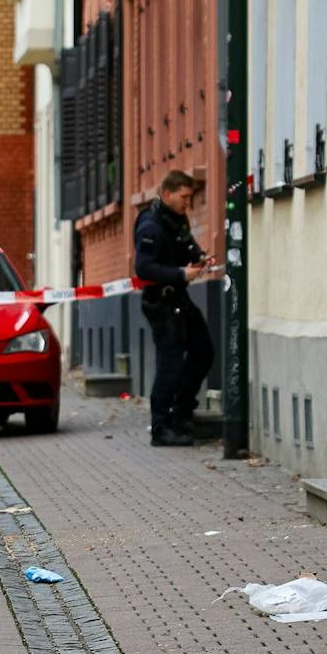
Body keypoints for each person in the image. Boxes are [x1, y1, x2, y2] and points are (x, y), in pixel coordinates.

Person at [134, 170, 218, 447]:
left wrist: (200, 258)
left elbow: (186, 245)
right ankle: (160, 427)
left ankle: (181, 413)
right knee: (169, 363)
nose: (188, 203)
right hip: (161, 300)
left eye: (190, 197)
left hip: (179, 299)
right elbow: (144, 267)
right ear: (167, 194)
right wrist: (181, 274)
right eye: (184, 197)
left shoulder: (176, 219)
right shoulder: (150, 225)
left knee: (203, 350)